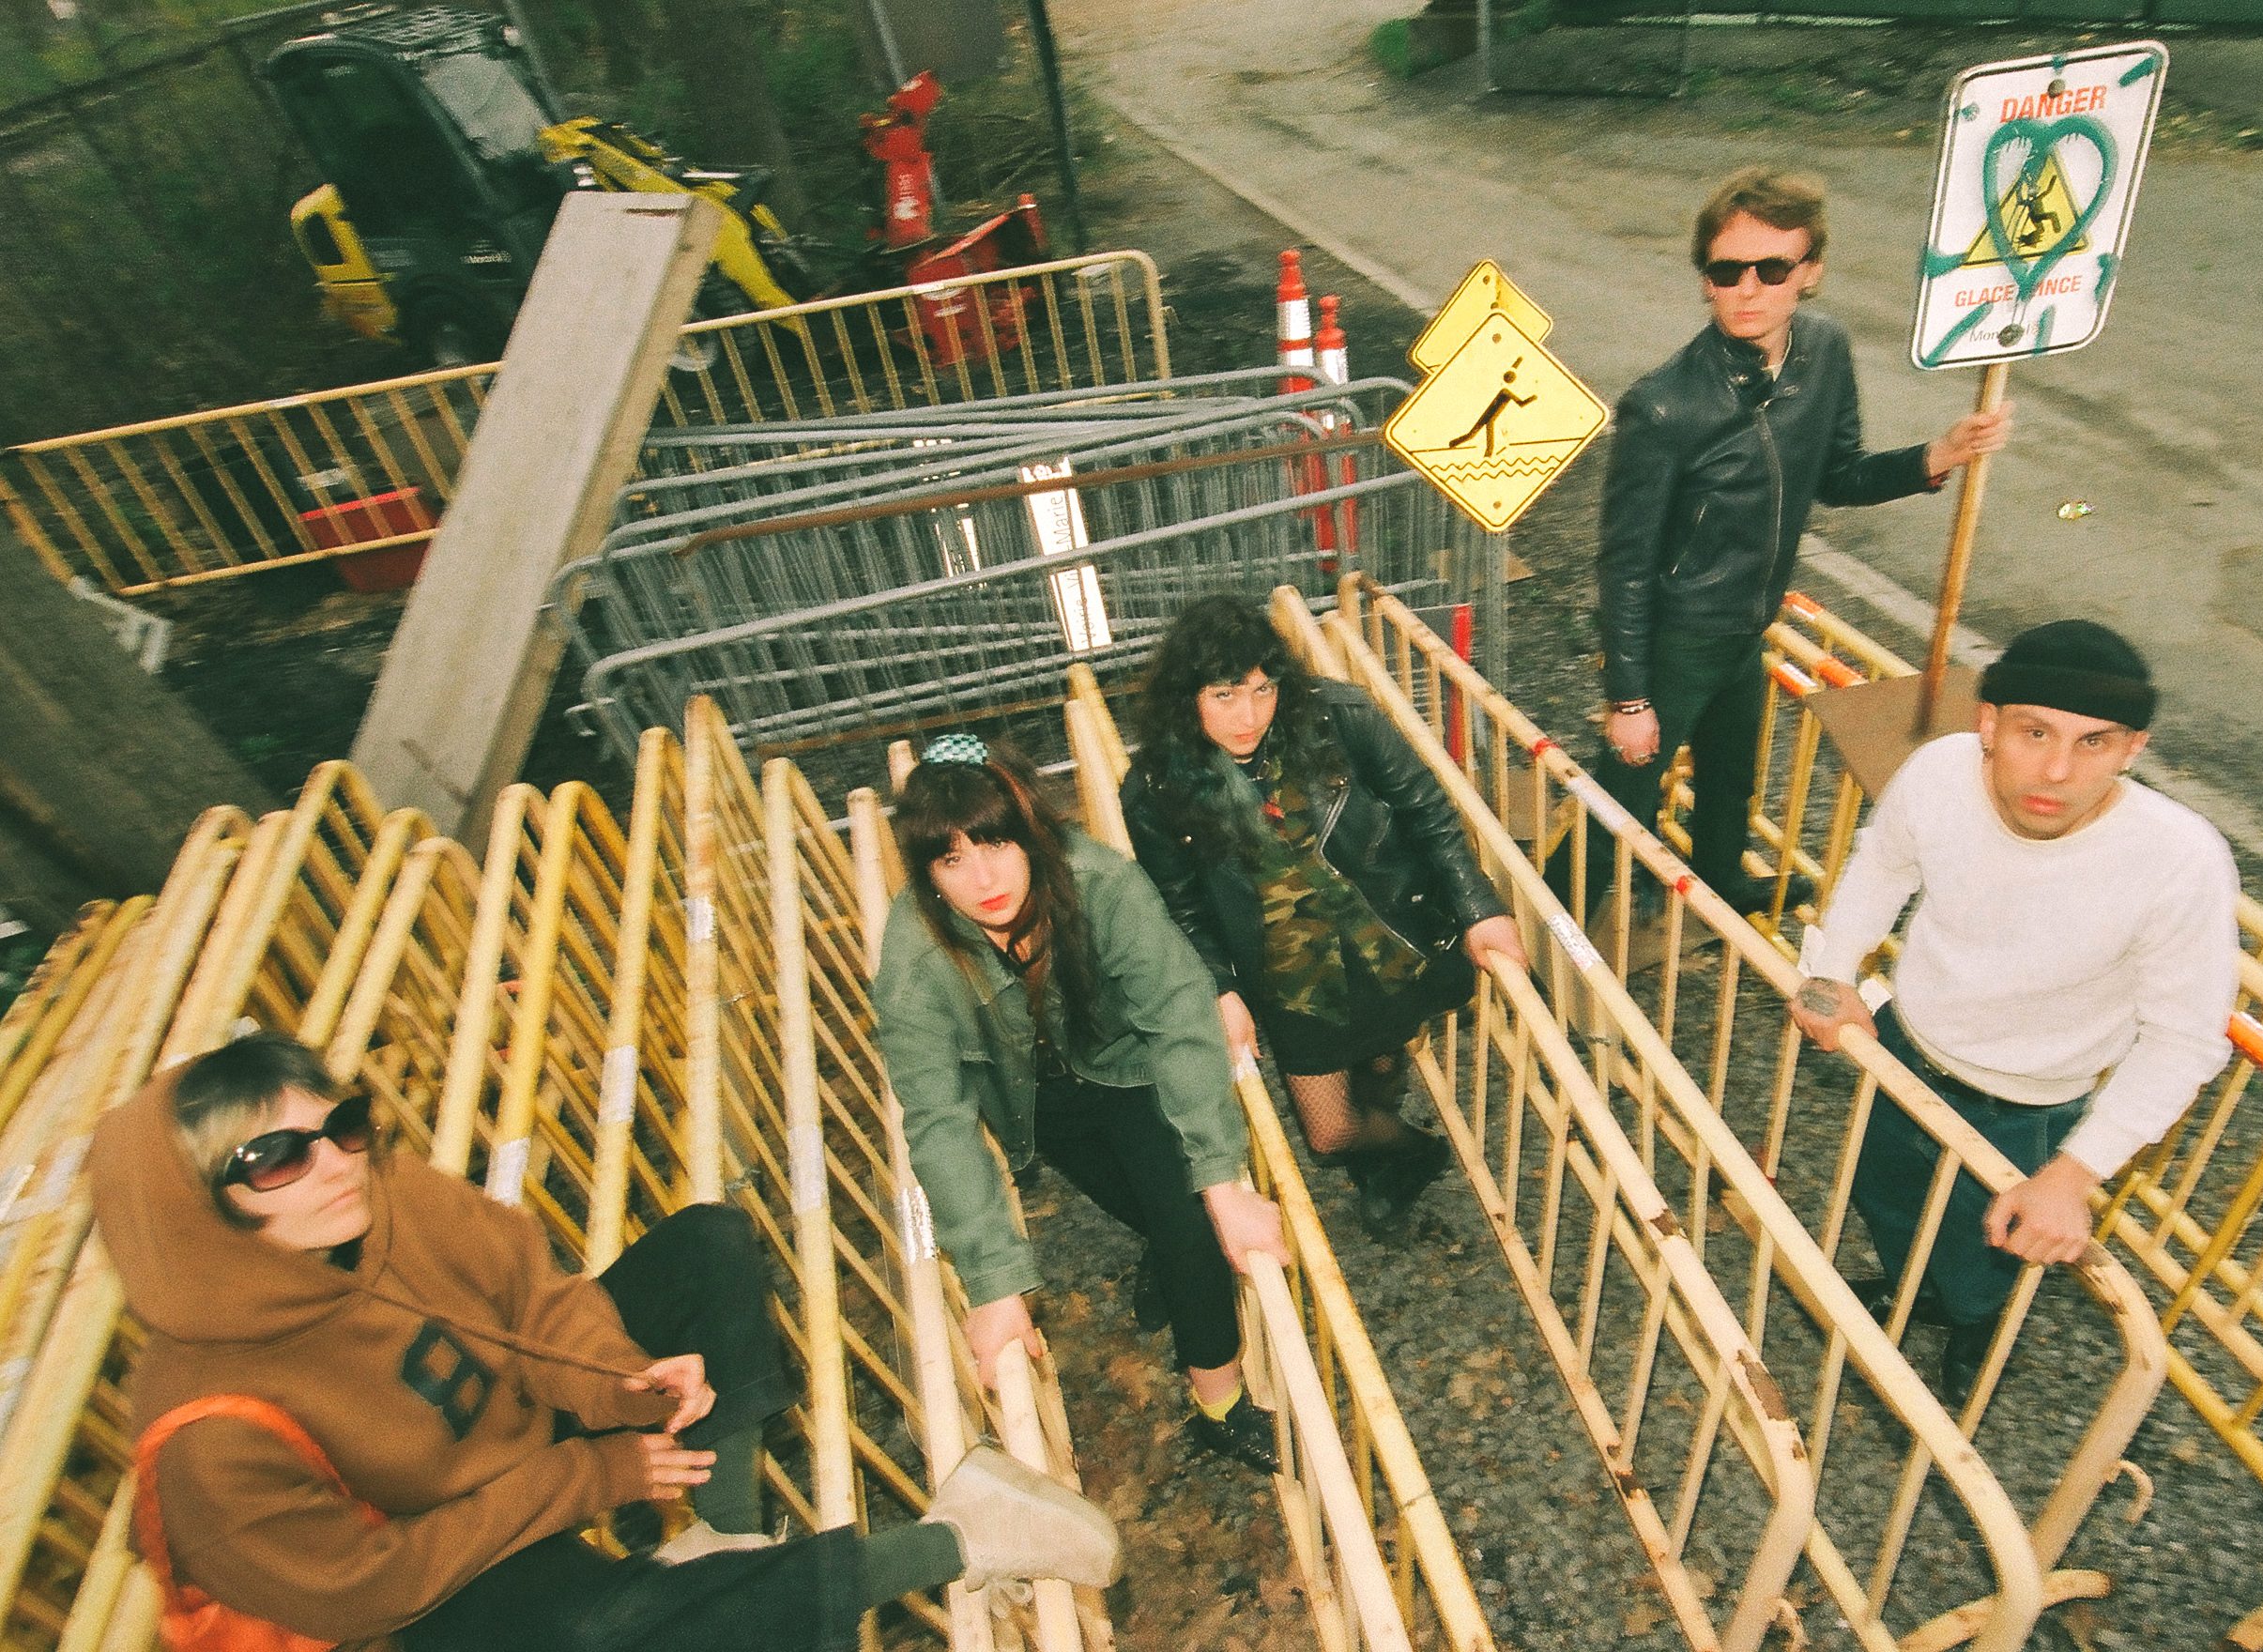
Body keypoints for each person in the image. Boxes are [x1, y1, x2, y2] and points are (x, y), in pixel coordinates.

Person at [91, 1032, 1121, 1652]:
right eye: (276, 1157)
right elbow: (375, 1586)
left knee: (708, 1243)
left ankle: (721, 1535)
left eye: (341, 1126)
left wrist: (622, 1382)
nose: (332, 1164)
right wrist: (590, 1474)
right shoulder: (207, 1442)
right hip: (439, 1563)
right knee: (603, 1634)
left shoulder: (378, 1192)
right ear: (195, 1212)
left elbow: (530, 1298)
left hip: (525, 1440)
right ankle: (961, 1539)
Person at [1787, 620, 2239, 1404]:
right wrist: (1830, 972)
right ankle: (1916, 1291)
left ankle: (1975, 1328)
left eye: (2093, 743)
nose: (2057, 771)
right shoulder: (1939, 771)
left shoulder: (2178, 860)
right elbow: (1883, 863)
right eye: (2034, 733)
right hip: (1900, 1050)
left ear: (2132, 749)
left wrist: (2071, 1175)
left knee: (1988, 1251)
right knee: (1886, 1198)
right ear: (1987, 723)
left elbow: (2183, 1039)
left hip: (2027, 1105)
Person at [1591, 165, 2016, 935]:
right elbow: (1622, 563)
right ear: (1705, 281)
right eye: (1727, 271)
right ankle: (1543, 930)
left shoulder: (1822, 350)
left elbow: (1838, 475)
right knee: (1620, 798)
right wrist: (1629, 700)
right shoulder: (1662, 406)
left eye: (1772, 268)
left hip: (1749, 622)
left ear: (1808, 271)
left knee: (1730, 781)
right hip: (1679, 635)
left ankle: (1720, 887)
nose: (1748, 290)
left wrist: (1937, 455)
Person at [872, 733, 1292, 1474]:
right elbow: (937, 1118)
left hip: (1128, 1065)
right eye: (951, 859)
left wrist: (1222, 1179)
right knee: (1145, 1208)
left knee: (1192, 1218)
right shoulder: (915, 957)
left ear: (1031, 831)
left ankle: (1219, 1407)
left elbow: (1179, 1015)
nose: (982, 877)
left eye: (996, 843)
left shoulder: (1102, 883)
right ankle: (1165, 1253)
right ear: (926, 874)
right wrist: (992, 1284)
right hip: (1030, 1097)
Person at [1120, 595, 1526, 1236]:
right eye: (1224, 696)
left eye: (1263, 689)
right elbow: (1180, 904)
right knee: (1329, 1131)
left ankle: (1381, 1157)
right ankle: (1410, 1148)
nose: (1248, 716)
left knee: (1383, 1062)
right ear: (1185, 697)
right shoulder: (1156, 788)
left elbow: (1427, 812)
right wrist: (1220, 987)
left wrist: (1479, 908)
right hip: (1290, 974)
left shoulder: (1340, 717)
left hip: (1388, 934)